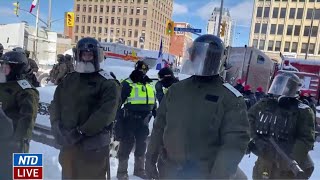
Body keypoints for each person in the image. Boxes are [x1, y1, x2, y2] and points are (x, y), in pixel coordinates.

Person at [145, 34, 250, 179]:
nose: (203, 60)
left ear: (219, 60)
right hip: (170, 171)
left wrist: (219, 176)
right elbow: (159, 127)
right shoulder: (176, 90)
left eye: (209, 56)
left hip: (205, 174)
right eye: (198, 54)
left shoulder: (231, 98)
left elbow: (233, 144)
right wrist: (150, 159)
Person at [49, 37, 121, 179]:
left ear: (97, 56)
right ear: (78, 55)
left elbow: (106, 113)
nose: (86, 58)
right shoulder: (70, 79)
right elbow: (56, 104)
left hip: (93, 148)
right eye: (83, 54)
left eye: (90, 55)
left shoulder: (107, 83)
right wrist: (57, 126)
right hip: (69, 145)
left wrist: (82, 131)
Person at [248, 72, 315, 179]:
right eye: (278, 84)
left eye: (285, 86)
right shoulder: (265, 104)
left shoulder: (303, 111)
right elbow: (248, 120)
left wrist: (292, 158)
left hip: (288, 164)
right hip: (266, 159)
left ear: (293, 89)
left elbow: (305, 139)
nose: (279, 89)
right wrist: (256, 139)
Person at [0, 51, 39, 179]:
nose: (3, 69)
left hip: (15, 140)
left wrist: (19, 139)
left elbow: (28, 117)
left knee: (21, 175)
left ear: (16, 69)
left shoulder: (26, 90)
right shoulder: (2, 85)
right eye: (2, 66)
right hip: (2, 138)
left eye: (7, 67)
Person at [115, 60, 156, 180]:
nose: (142, 72)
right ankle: (122, 172)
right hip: (129, 120)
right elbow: (117, 104)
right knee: (126, 145)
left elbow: (154, 103)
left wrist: (156, 115)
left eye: (145, 70)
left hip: (144, 122)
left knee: (142, 145)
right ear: (136, 69)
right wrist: (117, 122)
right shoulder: (127, 83)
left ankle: (139, 170)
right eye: (140, 69)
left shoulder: (149, 84)